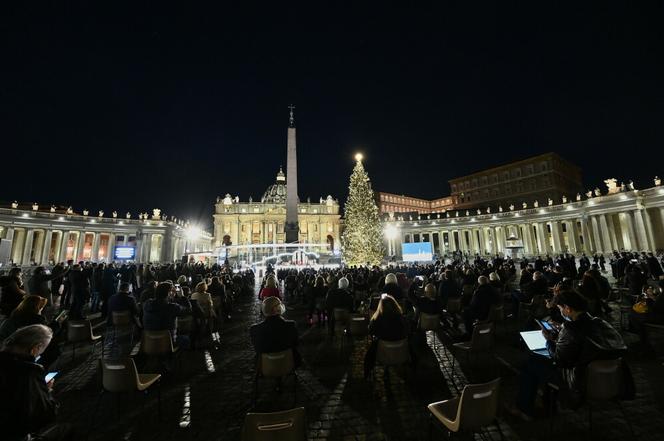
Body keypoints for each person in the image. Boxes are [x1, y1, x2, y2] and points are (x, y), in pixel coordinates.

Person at [509, 290, 627, 420]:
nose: (560, 312)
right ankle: (548, 404)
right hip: (609, 379)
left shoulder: (570, 329)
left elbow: (558, 360)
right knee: (538, 364)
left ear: (568, 308)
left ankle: (524, 408)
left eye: (560, 308)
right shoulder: (600, 323)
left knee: (531, 364)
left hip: (579, 381)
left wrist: (549, 340)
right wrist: (560, 334)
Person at [0, 324, 73, 441]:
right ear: (35, 348)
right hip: (13, 433)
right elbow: (45, 415)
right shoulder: (28, 372)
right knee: (65, 429)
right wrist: (46, 391)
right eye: (43, 349)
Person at [364, 294, 410, 379]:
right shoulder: (401, 318)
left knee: (370, 351)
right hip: (401, 351)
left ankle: (367, 373)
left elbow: (371, 331)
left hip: (383, 351)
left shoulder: (378, 319)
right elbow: (407, 331)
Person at [250, 296, 301, 367]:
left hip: (265, 365)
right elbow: (296, 343)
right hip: (288, 363)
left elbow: (258, 348)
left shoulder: (255, 329)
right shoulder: (291, 325)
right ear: (277, 308)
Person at [142, 282, 192, 347]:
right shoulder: (172, 307)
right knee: (187, 339)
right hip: (168, 343)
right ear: (169, 293)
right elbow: (188, 310)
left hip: (149, 342)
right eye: (173, 291)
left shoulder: (147, 304)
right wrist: (182, 297)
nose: (174, 293)